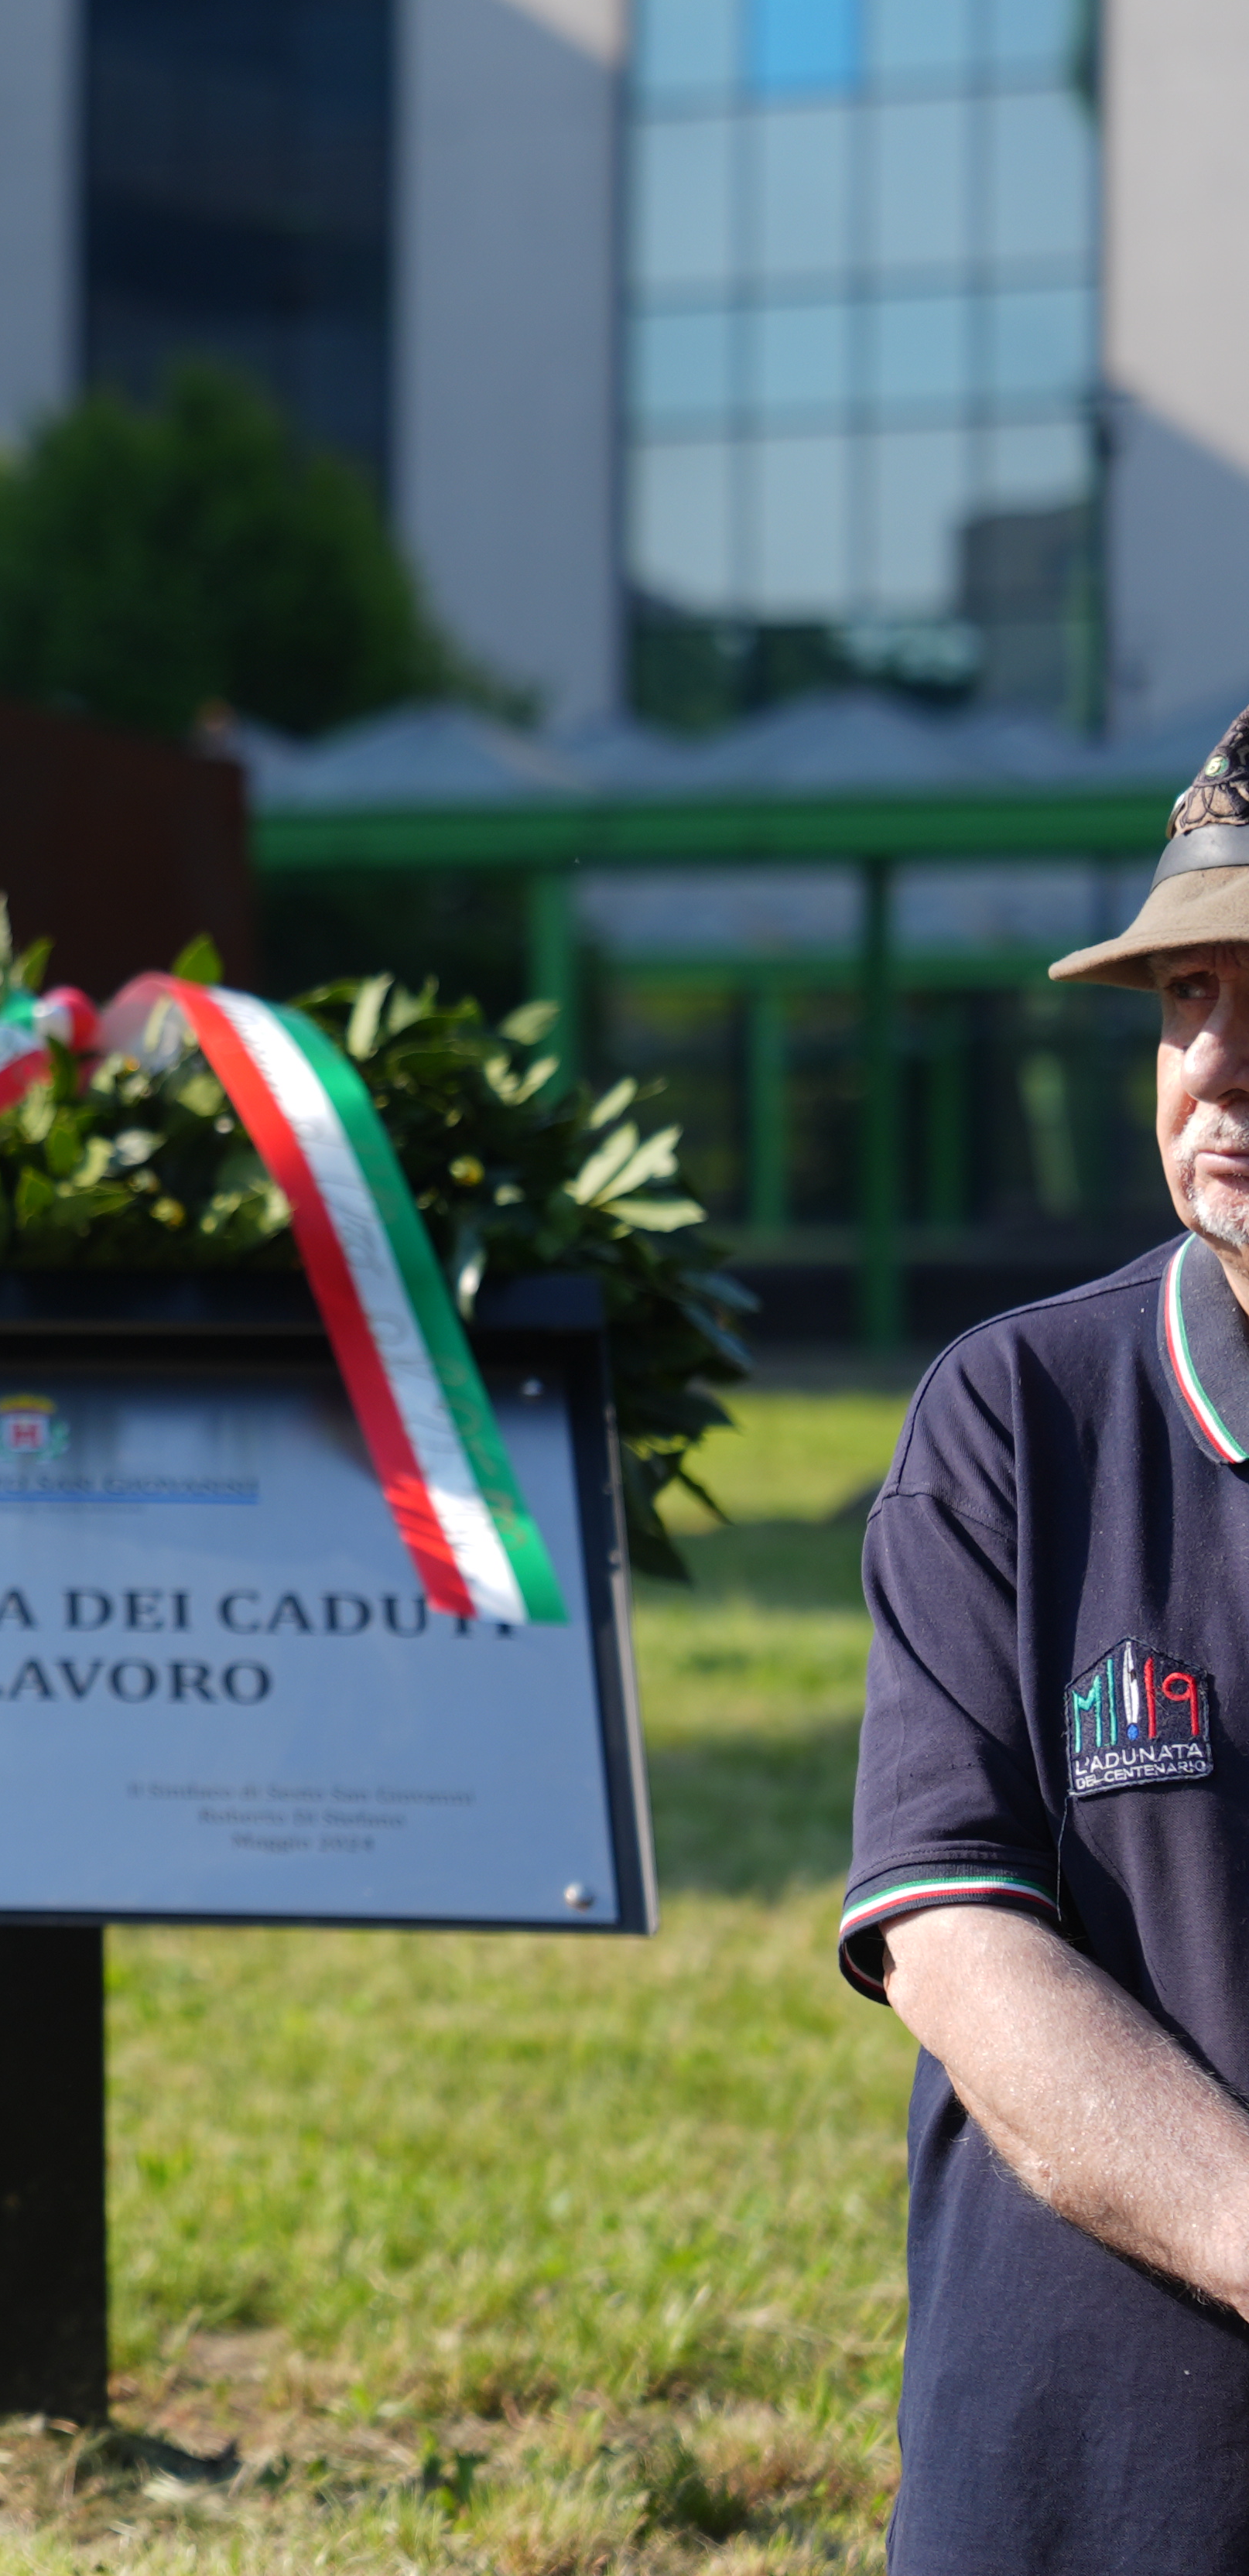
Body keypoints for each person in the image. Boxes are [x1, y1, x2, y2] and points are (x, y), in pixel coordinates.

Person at [844, 701, 1249, 2569]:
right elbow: (956, 1940)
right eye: (1183, 998)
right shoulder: (1019, 1415)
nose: (1216, 1071)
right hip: (1089, 2505)